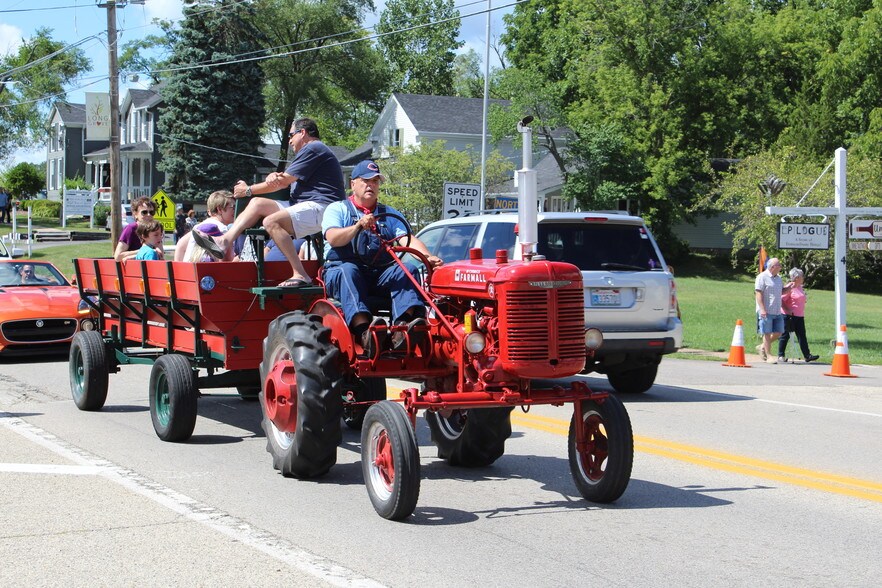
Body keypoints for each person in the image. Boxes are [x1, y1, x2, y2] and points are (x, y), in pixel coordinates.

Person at [192, 117, 344, 287]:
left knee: (271, 221)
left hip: (322, 207)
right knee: (257, 203)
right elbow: (282, 180)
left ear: (303, 133)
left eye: (291, 135)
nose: (290, 140)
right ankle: (224, 242)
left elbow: (282, 182)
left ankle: (300, 274)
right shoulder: (309, 153)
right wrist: (274, 176)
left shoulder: (314, 148)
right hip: (304, 205)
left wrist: (247, 190)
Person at [322, 160, 443, 358]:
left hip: (377, 275)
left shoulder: (389, 214)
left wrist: (427, 257)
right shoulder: (338, 209)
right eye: (366, 181)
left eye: (376, 181)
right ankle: (364, 332)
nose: (371, 185)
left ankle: (403, 330)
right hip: (342, 272)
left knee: (407, 269)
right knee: (348, 270)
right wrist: (358, 226)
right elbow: (334, 238)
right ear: (353, 184)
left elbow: (407, 240)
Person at [174, 190, 236, 262]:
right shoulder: (221, 229)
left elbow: (180, 245)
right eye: (233, 207)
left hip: (191, 270)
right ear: (219, 209)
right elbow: (227, 261)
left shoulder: (198, 227)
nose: (236, 210)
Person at [755, 257, 793, 364]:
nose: (780, 267)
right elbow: (758, 293)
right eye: (778, 265)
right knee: (767, 333)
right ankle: (769, 355)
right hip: (766, 310)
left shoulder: (779, 278)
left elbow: (782, 291)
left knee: (779, 332)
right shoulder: (762, 277)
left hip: (777, 310)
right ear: (772, 267)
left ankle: (762, 347)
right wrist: (762, 309)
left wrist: (789, 288)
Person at [778, 268, 820, 363]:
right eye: (802, 276)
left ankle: (807, 355)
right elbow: (781, 300)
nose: (803, 278)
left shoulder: (800, 287)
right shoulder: (790, 287)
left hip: (799, 316)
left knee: (802, 336)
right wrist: (787, 310)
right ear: (796, 278)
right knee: (785, 335)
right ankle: (781, 355)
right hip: (789, 315)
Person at [114, 196, 161, 261]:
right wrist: (144, 251)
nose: (148, 215)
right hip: (133, 269)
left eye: (151, 212)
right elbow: (118, 256)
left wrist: (145, 253)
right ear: (135, 214)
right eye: (144, 212)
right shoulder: (131, 229)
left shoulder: (155, 230)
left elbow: (160, 253)